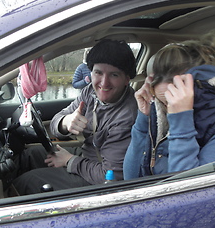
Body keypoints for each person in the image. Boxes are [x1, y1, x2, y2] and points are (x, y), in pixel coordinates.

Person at [123, 29, 215, 179]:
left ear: (194, 89)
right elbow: (131, 177)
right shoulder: (170, 114)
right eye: (162, 102)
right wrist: (143, 121)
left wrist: (181, 122)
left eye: (171, 102)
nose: (168, 108)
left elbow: (188, 192)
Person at [13, 39, 138, 194]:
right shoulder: (90, 92)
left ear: (127, 79)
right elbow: (57, 121)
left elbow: (111, 177)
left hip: (101, 179)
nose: (104, 83)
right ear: (91, 72)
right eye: (98, 73)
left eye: (114, 75)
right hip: (88, 156)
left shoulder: (127, 116)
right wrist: (66, 122)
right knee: (29, 156)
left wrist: (70, 161)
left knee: (29, 181)